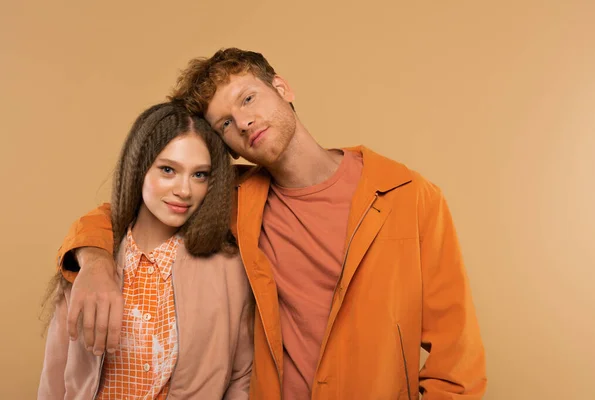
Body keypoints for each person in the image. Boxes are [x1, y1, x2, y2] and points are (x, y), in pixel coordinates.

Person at [54, 49, 487, 399]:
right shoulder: (232, 200)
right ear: (228, 147)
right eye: (225, 123)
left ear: (281, 88)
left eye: (248, 99)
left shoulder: (408, 196)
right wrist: (93, 262)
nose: (243, 122)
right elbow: (132, 208)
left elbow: (458, 362)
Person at [39, 102, 253, 399]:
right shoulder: (88, 257)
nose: (184, 190)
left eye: (199, 175)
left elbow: (242, 376)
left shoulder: (230, 269)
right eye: (168, 170)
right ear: (139, 167)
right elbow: (55, 379)